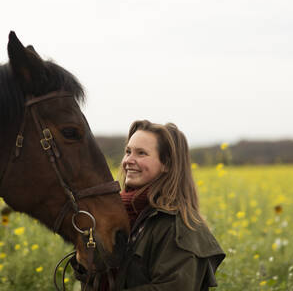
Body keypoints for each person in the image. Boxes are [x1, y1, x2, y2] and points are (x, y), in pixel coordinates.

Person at [72, 120, 225, 290]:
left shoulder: (179, 226)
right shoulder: (116, 215)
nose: (128, 160)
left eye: (141, 153)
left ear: (166, 163)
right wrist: (85, 255)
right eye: (128, 151)